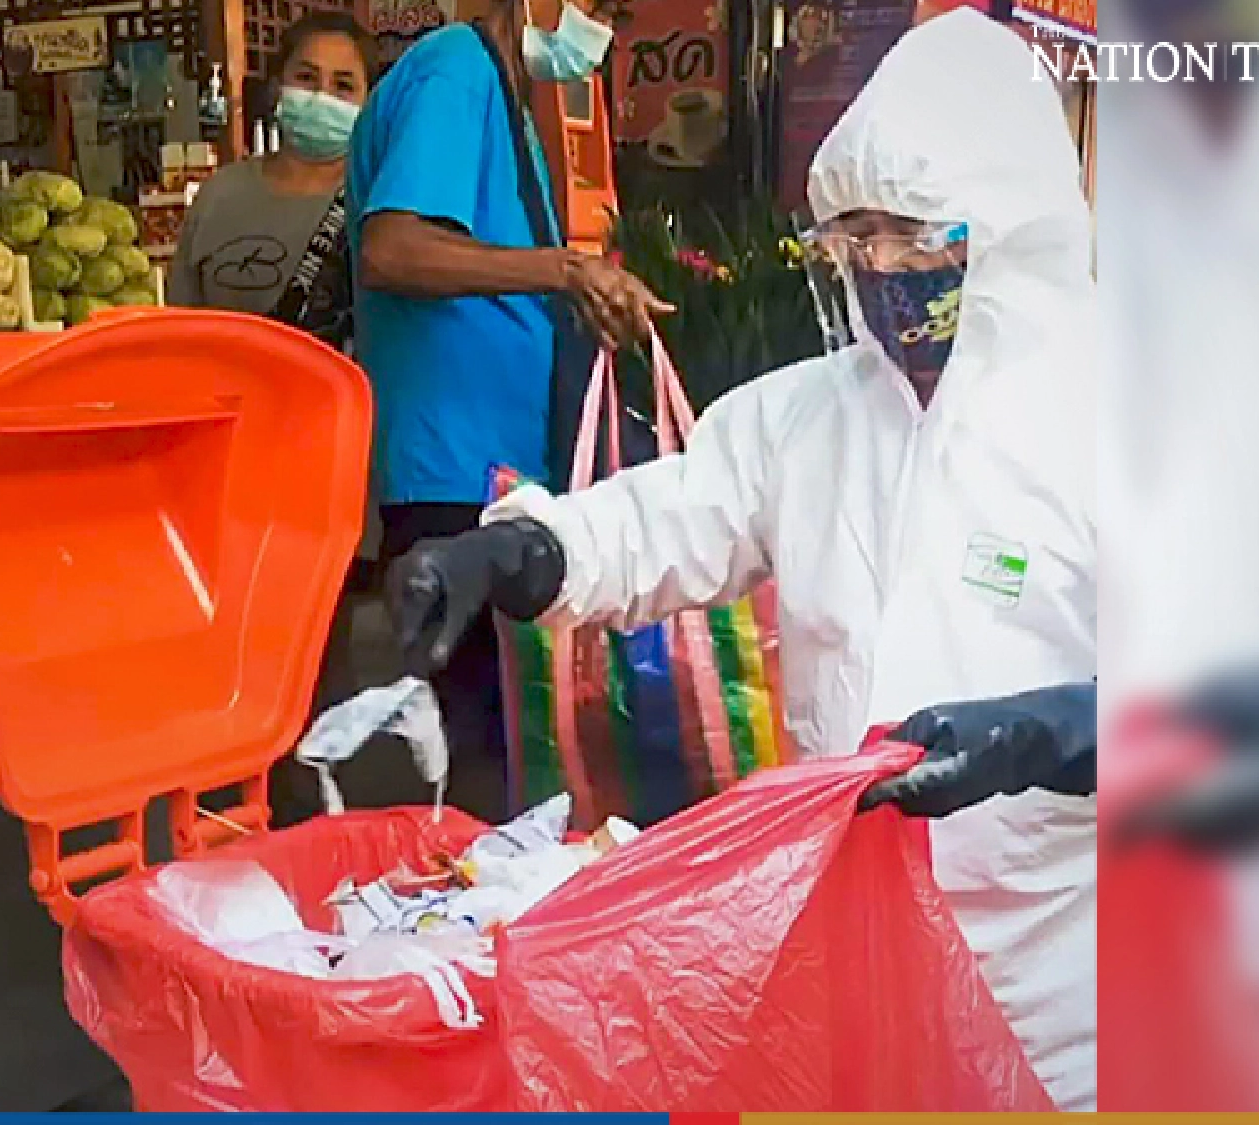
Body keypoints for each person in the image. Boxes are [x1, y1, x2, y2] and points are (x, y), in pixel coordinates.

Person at [383, 9, 1098, 1108]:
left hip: (1053, 973)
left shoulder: (1120, 419)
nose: (883, 269)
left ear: (1007, 226)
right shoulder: (807, 418)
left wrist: (1052, 734)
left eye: (915, 234)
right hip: (849, 936)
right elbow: (666, 517)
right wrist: (514, 551)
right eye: (856, 238)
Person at [346, 0, 671, 822]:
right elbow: (394, 246)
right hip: (454, 473)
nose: (602, 24)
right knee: (481, 746)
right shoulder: (455, 67)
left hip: (496, 473)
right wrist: (567, 272)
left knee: (507, 739)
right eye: (596, 6)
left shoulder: (505, 96)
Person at [166, 11, 375, 352]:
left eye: (343, 85)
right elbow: (182, 329)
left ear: (368, 102)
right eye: (306, 77)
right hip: (232, 399)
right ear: (278, 86)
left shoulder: (375, 200)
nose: (322, 96)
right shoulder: (220, 195)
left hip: (344, 402)